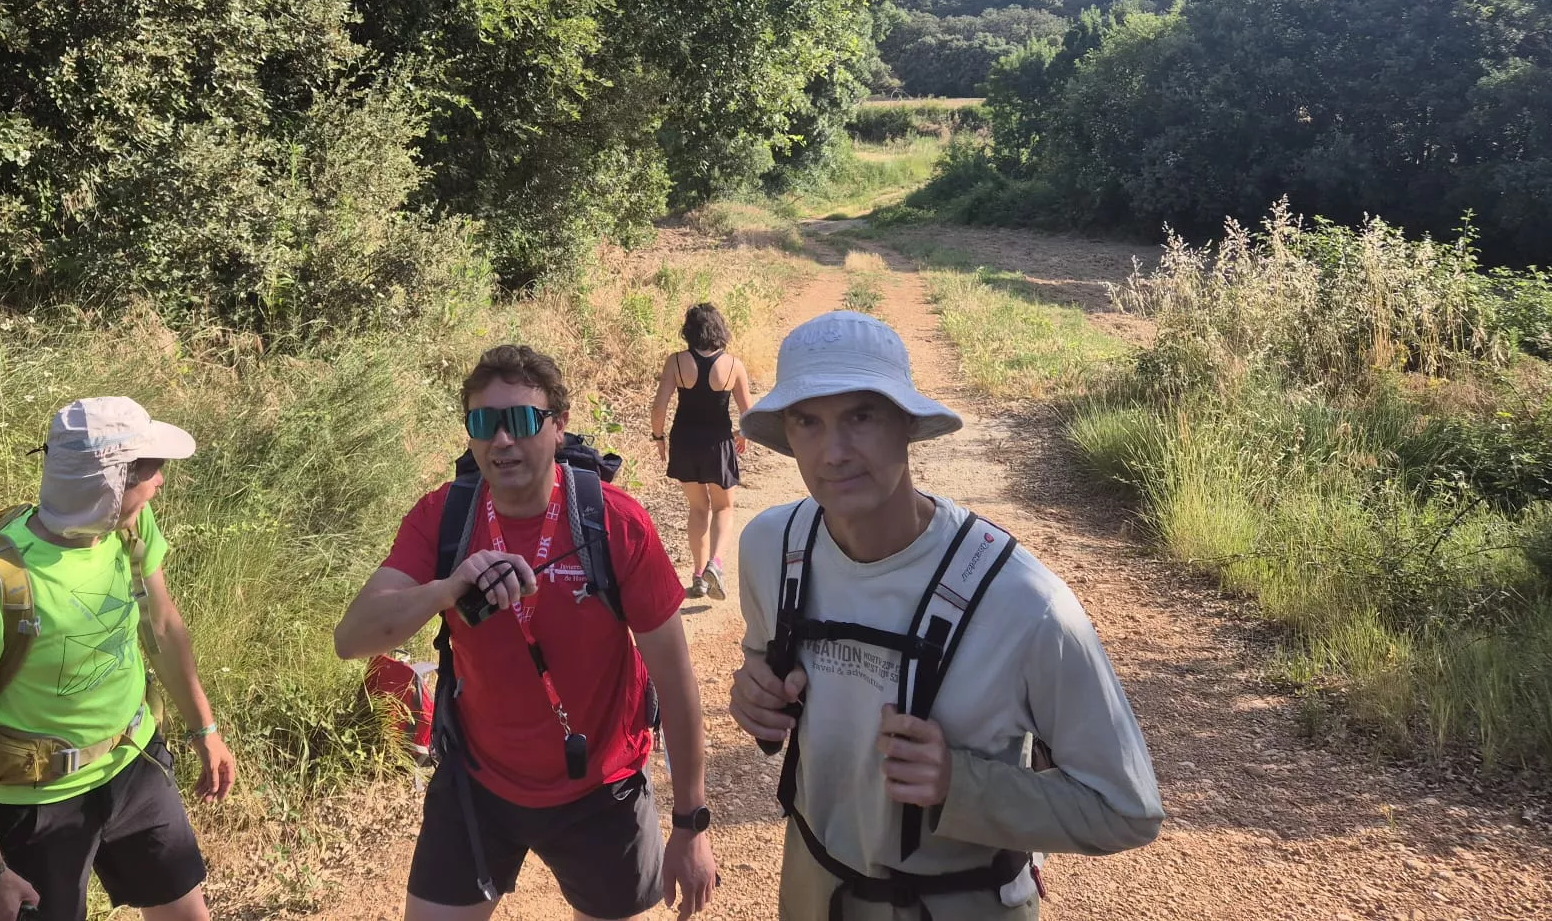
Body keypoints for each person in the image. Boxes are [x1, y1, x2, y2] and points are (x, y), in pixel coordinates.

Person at [727, 311, 1164, 920]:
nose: (834, 452)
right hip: (812, 889)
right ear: (786, 433)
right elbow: (763, 665)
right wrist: (754, 697)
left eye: (862, 416)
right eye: (807, 421)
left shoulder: (1023, 602)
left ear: (908, 424)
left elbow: (1126, 809)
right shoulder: (771, 547)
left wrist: (960, 784)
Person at [335, 344, 720, 921]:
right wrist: (446, 590)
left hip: (602, 788)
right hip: (478, 782)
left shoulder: (614, 523)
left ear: (558, 426)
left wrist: (691, 824)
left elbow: (677, 680)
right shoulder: (444, 517)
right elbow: (351, 638)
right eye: (483, 423)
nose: (501, 440)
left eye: (520, 420)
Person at [0, 397, 238, 921]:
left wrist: (204, 729)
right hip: (36, 802)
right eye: (150, 469)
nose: (161, 480)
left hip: (136, 763)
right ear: (109, 483)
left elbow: (163, 626)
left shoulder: (129, 526)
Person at [647, 303, 753, 600]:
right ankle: (715, 564)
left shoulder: (677, 362)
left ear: (689, 331)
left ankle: (698, 576)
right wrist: (743, 434)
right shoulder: (733, 365)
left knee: (697, 508)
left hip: (684, 443)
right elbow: (749, 414)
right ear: (720, 329)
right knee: (723, 508)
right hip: (718, 444)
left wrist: (658, 437)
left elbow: (659, 407)